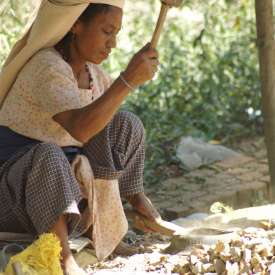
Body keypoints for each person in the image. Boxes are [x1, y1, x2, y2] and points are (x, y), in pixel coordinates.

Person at [0, 0, 161, 274]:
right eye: (107, 31)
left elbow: (102, 135)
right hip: (15, 199)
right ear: (76, 24)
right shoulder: (46, 67)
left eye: (116, 34)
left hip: (68, 197)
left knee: (124, 124)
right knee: (50, 154)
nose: (113, 44)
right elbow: (80, 128)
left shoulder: (95, 76)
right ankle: (63, 258)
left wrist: (134, 195)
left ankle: (112, 229)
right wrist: (128, 80)